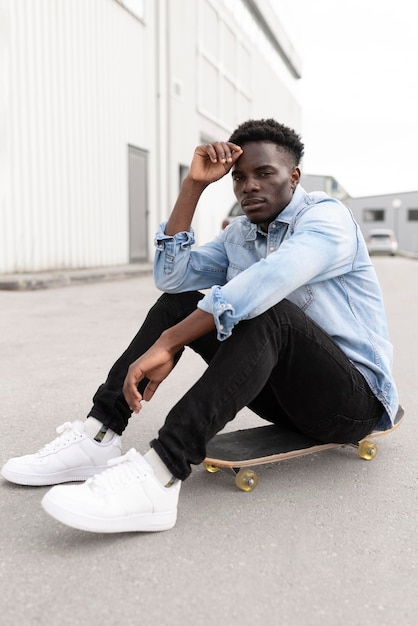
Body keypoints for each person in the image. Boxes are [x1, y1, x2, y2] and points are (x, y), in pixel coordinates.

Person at [1, 118, 398, 534]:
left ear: (294, 176)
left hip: (352, 403)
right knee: (181, 302)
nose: (249, 186)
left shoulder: (327, 220)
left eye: (265, 173)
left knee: (269, 311)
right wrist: (193, 186)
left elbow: (267, 282)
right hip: (285, 398)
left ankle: (161, 472)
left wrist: (169, 342)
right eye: (240, 177)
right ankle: (99, 434)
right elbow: (173, 279)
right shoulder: (241, 235)